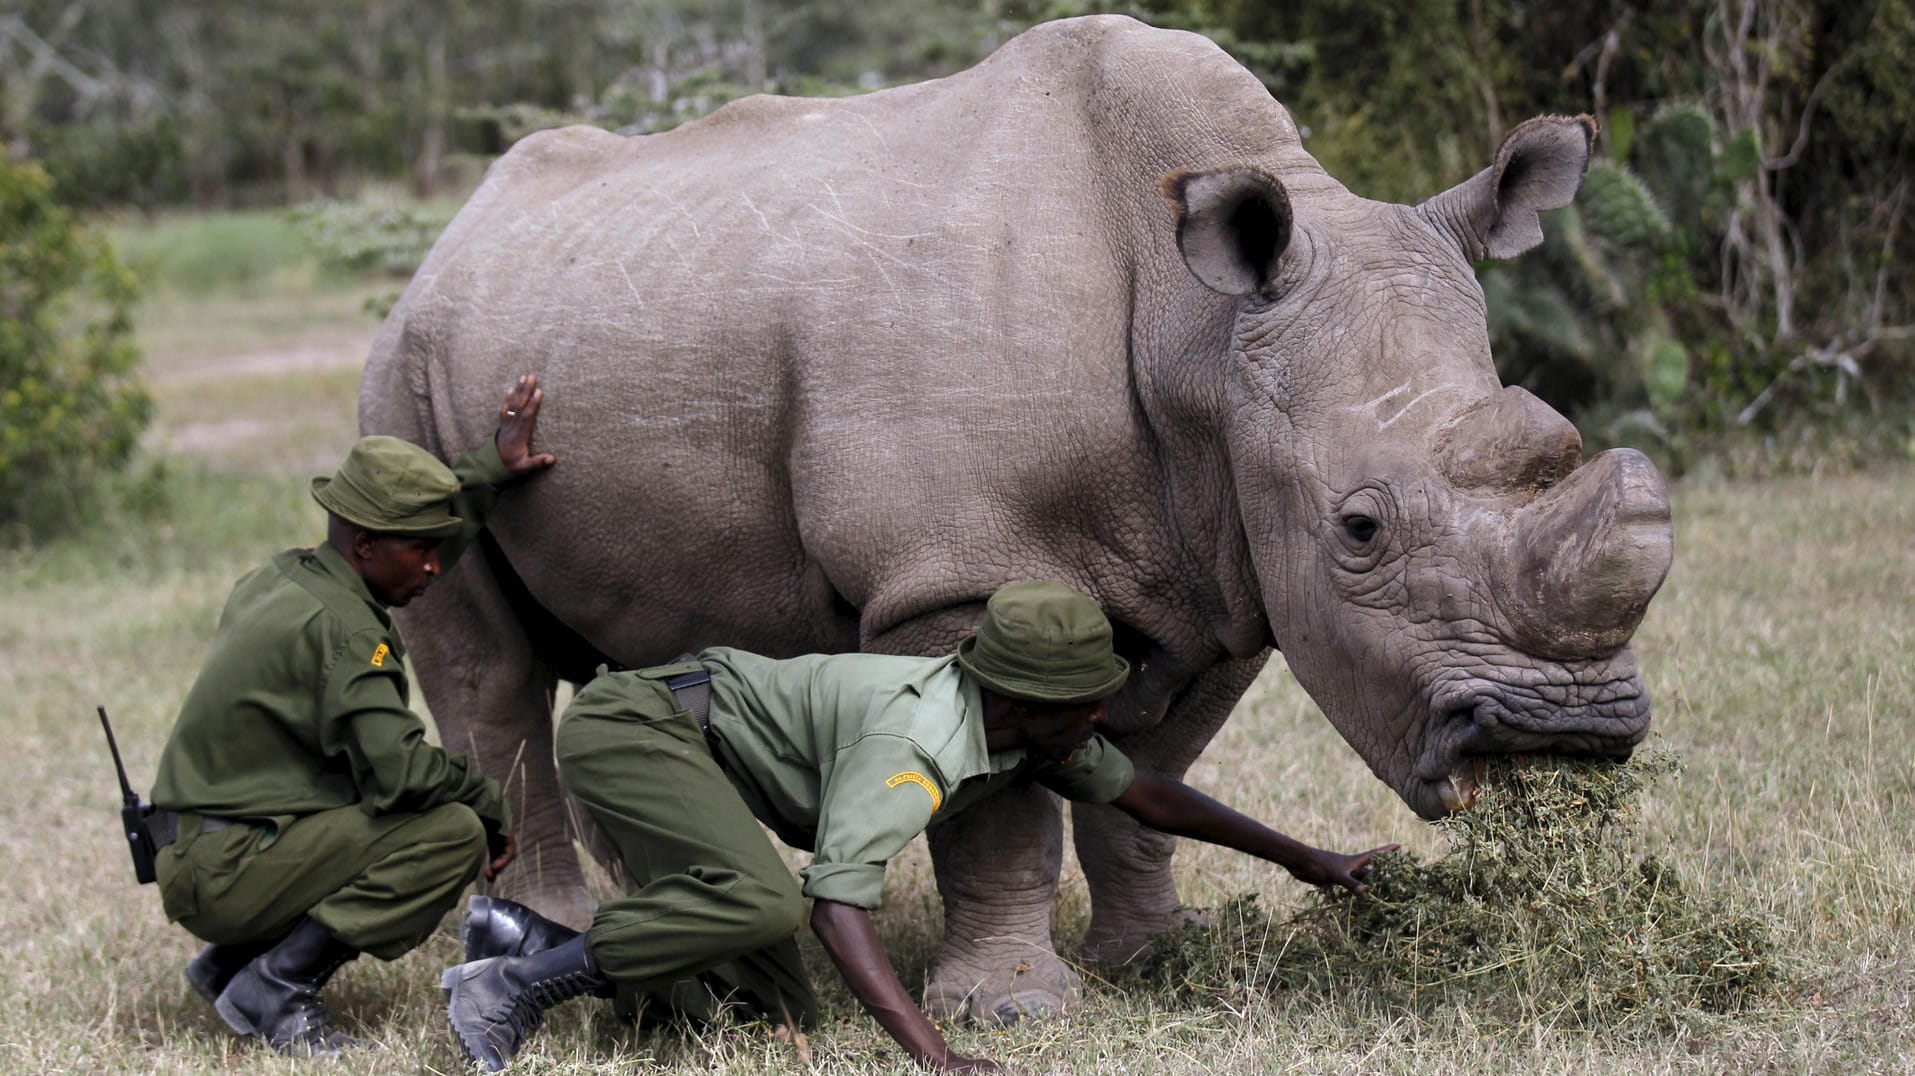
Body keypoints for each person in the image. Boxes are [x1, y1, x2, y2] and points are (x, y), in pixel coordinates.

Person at [442, 579, 1395, 1072]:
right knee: (762, 905)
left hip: (706, 745)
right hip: (642, 727)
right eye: (1083, 703)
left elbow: (1143, 793)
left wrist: (1305, 858)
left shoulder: (1031, 733)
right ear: (1026, 700)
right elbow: (834, 907)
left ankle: (521, 937)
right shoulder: (921, 744)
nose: (1098, 717)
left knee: (770, 1020)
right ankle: (512, 988)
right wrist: (931, 1057)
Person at [148, 375, 556, 1056]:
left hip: (202, 849)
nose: (433, 567)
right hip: (228, 870)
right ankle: (276, 982)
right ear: (365, 544)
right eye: (418, 551)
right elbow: (399, 774)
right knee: (450, 831)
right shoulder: (346, 634)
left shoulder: (287, 577)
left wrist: (488, 471)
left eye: (436, 546)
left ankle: (226, 964)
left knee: (359, 799)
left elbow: (410, 542)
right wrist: (486, 801)